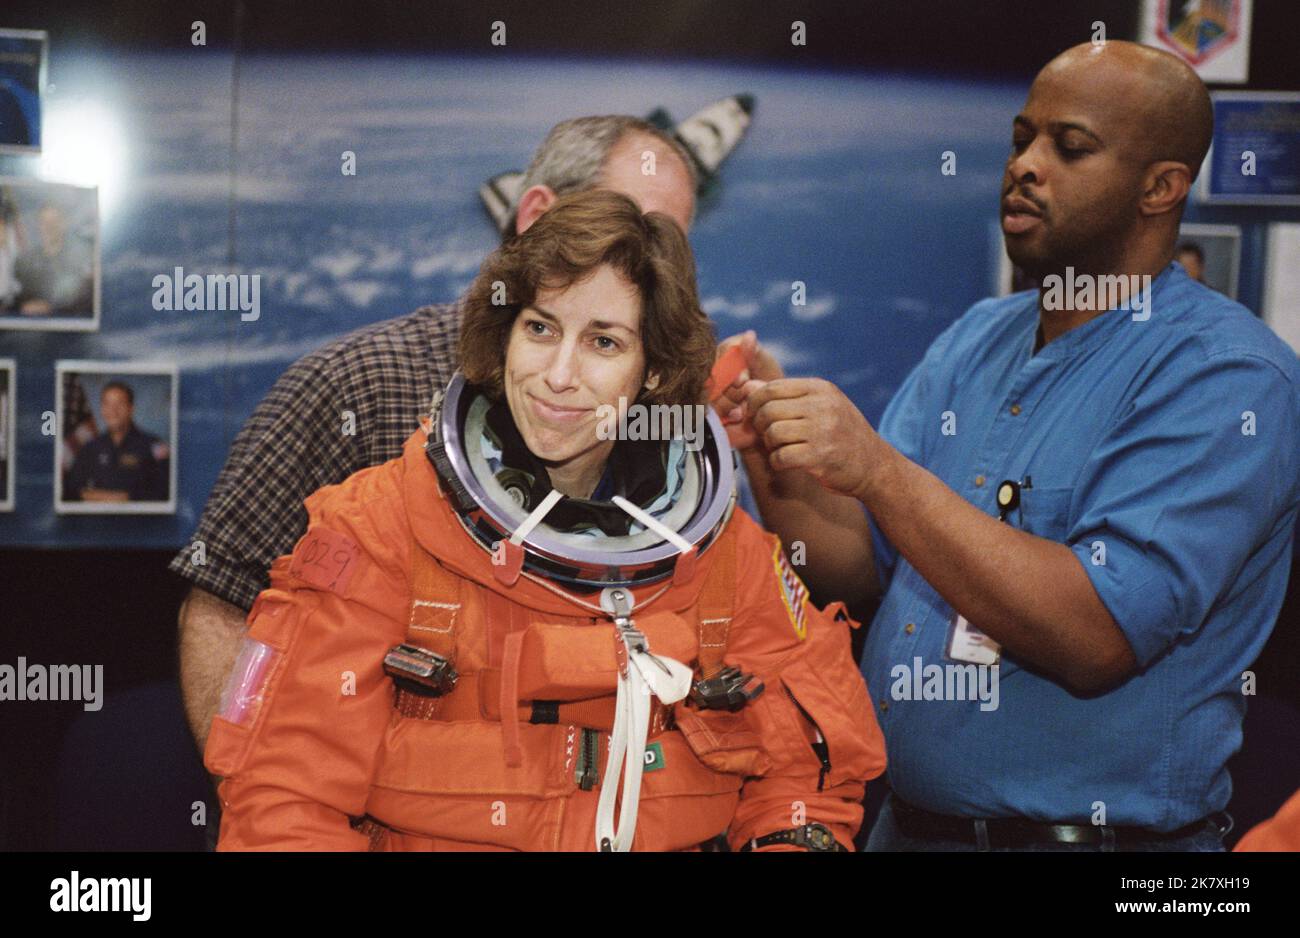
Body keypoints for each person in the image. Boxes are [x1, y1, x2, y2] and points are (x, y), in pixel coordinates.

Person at [717, 40, 1300, 851]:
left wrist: (880, 472)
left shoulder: (1228, 376)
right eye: (1020, 138)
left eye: (1068, 147)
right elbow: (861, 570)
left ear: (1161, 188)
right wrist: (772, 454)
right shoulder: (976, 336)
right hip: (906, 827)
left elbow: (1096, 635)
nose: (1024, 165)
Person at [206, 190, 886, 851]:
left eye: (604, 342)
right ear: (504, 335)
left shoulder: (726, 559)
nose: (559, 375)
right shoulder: (381, 529)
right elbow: (287, 802)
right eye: (540, 328)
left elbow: (807, 784)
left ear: (652, 373)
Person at [173, 115, 699, 756]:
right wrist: (261, 797)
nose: (650, 257)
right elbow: (224, 606)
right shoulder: (359, 388)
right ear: (536, 218)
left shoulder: (672, 448)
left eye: (668, 239)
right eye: (627, 221)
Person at [65, 381, 170, 503]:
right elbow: (71, 491)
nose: (113, 411)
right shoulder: (89, 448)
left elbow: (163, 492)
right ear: (102, 409)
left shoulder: (153, 446)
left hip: (140, 521)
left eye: (119, 404)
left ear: (131, 408)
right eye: (107, 404)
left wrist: (127, 498)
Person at [14, 204, 93, 315]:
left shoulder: (78, 260)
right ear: (38, 226)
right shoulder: (27, 262)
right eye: (44, 222)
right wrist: (25, 304)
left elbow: (86, 300)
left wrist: (52, 308)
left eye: (55, 221)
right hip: (31, 327)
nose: (49, 227)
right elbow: (17, 296)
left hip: (67, 327)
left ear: (64, 224)